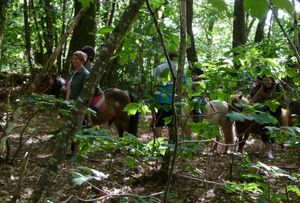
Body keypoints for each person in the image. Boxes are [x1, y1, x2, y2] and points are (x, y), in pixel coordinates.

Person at [61, 50, 90, 155]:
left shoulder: (85, 74)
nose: (73, 61)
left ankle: (75, 152)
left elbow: (86, 92)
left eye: (76, 59)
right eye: (72, 59)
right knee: (69, 128)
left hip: (77, 105)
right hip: (69, 103)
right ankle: (70, 150)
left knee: (76, 128)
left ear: (82, 60)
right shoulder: (73, 72)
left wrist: (81, 106)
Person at [251, 75, 285, 159]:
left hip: (275, 113)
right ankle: (267, 151)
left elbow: (283, 101)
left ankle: (269, 151)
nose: (266, 82)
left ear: (272, 80)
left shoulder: (277, 88)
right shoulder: (261, 89)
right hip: (263, 113)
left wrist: (274, 103)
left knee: (273, 131)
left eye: (268, 80)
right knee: (264, 131)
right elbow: (254, 100)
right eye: (264, 80)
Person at [153, 52, 178, 137]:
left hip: (160, 97)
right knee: (171, 123)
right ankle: (171, 141)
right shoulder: (177, 67)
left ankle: (158, 143)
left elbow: (154, 83)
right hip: (171, 98)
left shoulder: (158, 67)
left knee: (159, 122)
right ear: (175, 58)